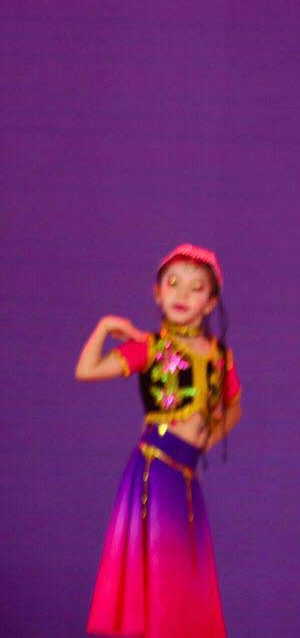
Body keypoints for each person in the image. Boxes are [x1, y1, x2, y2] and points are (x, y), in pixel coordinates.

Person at [79, 243, 241, 638]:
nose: (182, 294)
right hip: (155, 471)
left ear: (210, 302)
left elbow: (233, 407)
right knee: (158, 567)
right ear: (157, 293)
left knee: (185, 573)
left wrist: (205, 441)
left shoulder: (219, 355)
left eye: (196, 287)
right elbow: (87, 370)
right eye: (173, 284)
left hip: (186, 476)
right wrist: (105, 328)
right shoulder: (150, 347)